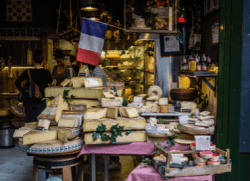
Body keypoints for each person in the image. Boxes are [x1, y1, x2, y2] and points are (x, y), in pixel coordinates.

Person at [15, 50, 53, 122]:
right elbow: (52, 83)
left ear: (33, 61)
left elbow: (17, 82)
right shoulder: (46, 72)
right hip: (42, 103)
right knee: (42, 124)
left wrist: (22, 91)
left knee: (30, 125)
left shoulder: (28, 71)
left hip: (29, 103)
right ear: (43, 61)